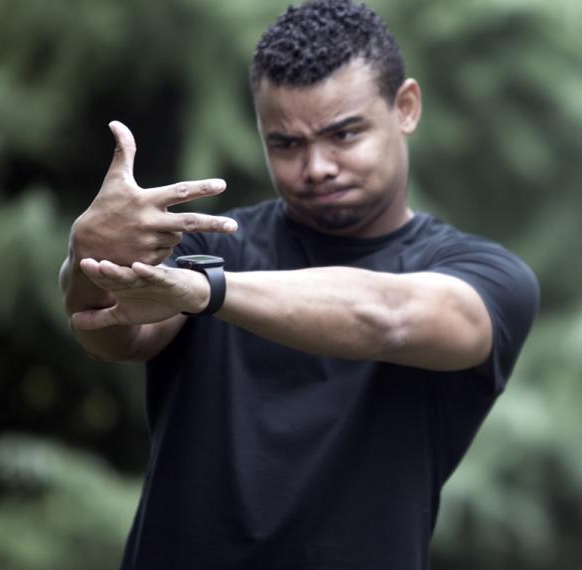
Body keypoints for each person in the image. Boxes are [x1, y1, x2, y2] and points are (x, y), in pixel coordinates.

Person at [59, 0, 539, 568]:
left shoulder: (488, 277)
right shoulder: (212, 248)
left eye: (344, 134)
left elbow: (390, 318)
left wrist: (210, 294)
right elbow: (110, 331)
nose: (316, 167)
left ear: (405, 107)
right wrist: (89, 254)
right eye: (285, 144)